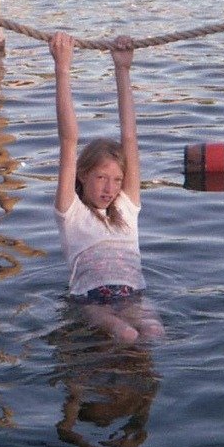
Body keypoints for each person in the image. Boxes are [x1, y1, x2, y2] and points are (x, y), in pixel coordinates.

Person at [49, 31, 164, 343]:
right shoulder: (70, 213)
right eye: (101, 177)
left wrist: (122, 69)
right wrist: (62, 69)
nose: (110, 187)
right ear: (83, 175)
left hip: (133, 296)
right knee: (125, 334)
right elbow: (68, 140)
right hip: (91, 300)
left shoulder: (127, 208)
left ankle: (131, 389)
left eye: (116, 179)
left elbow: (130, 138)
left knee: (154, 332)